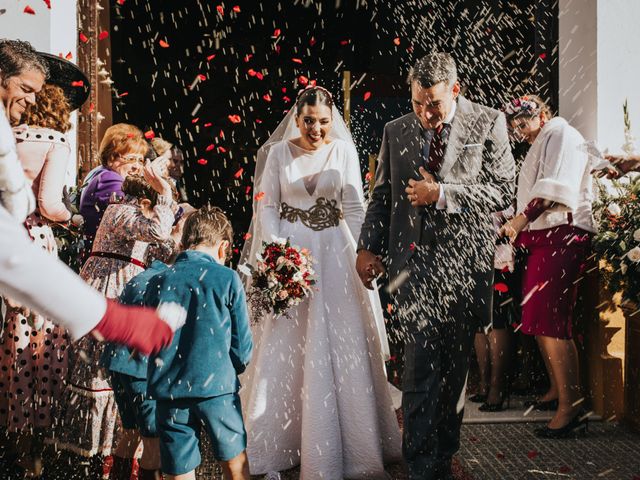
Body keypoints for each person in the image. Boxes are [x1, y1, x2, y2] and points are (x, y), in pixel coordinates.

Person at [356, 52, 515, 479]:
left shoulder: (488, 122)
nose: (426, 114)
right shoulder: (395, 130)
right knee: (419, 369)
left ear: (456, 91)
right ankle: (420, 466)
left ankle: (443, 455)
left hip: (465, 269)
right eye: (418, 103)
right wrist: (365, 248)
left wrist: (442, 193)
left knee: (453, 376)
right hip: (412, 270)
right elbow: (382, 196)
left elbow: (502, 191)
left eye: (435, 105)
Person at [240, 86, 402, 479]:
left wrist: (366, 251)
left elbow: (353, 207)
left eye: (324, 122)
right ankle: (282, 441)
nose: (316, 129)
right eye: (309, 121)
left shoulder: (343, 152)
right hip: (291, 253)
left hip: (335, 254)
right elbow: (268, 207)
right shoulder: (278, 154)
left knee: (340, 339)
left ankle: (352, 444)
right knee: (287, 342)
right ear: (296, 119)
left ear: (333, 122)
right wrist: (280, 257)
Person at [0, 38, 176, 352]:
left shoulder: (13, 133)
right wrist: (109, 317)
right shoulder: (105, 179)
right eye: (26, 89)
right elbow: (13, 239)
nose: (31, 101)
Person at [52, 168, 177, 476]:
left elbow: (165, 246)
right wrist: (167, 196)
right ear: (145, 199)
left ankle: (117, 453)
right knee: (99, 368)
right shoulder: (121, 211)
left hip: (123, 283)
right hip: (110, 285)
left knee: (115, 373)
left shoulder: (132, 217)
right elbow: (158, 233)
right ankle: (93, 455)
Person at [499, 94, 595, 438]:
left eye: (523, 123)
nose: (520, 131)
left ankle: (573, 405)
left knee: (552, 321)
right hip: (547, 236)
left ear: (541, 115)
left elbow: (556, 188)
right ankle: (559, 390)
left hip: (563, 234)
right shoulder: (546, 138)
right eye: (515, 127)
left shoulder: (560, 134)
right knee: (538, 318)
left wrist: (519, 221)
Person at [145, 206, 253, 480]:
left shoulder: (157, 280)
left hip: (169, 390)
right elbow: (242, 347)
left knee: (179, 470)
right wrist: (233, 368)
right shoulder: (227, 278)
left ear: (183, 242)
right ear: (223, 247)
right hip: (216, 387)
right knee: (234, 464)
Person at [0, 83, 75, 474]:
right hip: (33, 239)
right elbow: (48, 204)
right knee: (38, 339)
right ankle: (32, 442)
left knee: (11, 335)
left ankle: (10, 429)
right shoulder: (55, 141)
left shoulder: (8, 134)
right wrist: (74, 218)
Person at [102, 203, 194, 480]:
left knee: (130, 433)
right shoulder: (168, 280)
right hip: (140, 370)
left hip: (117, 364)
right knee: (152, 442)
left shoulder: (142, 276)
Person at [79, 123, 147, 248]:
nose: (137, 167)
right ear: (111, 158)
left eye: (140, 160)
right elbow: (137, 222)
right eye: (131, 159)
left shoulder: (100, 172)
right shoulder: (109, 178)